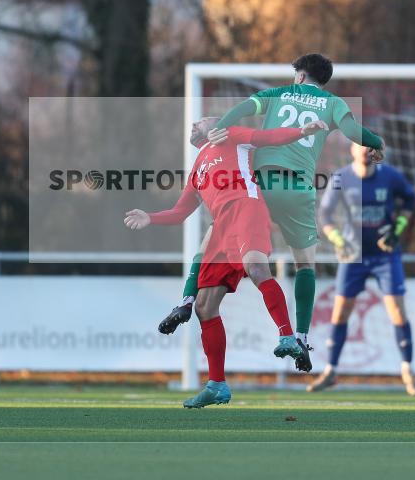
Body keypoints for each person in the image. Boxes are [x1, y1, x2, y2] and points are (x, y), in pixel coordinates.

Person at [157, 53, 385, 373]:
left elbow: (242, 109)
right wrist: (376, 142)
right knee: (305, 263)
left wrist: (220, 129)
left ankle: (186, 300)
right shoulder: (333, 103)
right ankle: (301, 336)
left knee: (212, 238)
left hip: (261, 183)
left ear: (301, 76)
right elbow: (351, 130)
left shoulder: (276, 94)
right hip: (297, 190)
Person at [126, 117, 328, 407]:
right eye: (194, 123)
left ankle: (288, 337)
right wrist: (151, 218)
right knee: (204, 306)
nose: (196, 122)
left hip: (247, 207)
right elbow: (180, 212)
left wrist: (302, 130)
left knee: (256, 268)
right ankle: (217, 384)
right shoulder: (197, 169)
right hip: (222, 226)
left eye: (202, 120)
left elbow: (270, 137)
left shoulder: (231, 136)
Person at [308, 142, 415, 395]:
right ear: (351, 150)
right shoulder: (341, 177)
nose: (366, 151)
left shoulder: (390, 176)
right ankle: (331, 371)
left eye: (371, 147)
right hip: (353, 255)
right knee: (340, 312)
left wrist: (397, 229)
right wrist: (337, 238)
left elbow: (410, 200)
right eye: (361, 146)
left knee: (397, 312)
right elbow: (324, 213)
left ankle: (407, 371)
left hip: (384, 255)